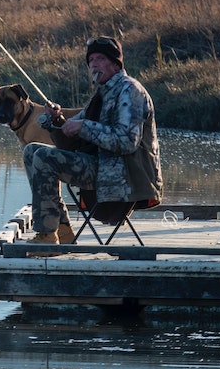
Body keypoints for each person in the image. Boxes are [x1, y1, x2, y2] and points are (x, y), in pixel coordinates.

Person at [23, 36, 163, 243]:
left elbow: (126, 141)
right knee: (32, 151)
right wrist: (56, 120)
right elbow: (73, 131)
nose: (94, 64)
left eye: (100, 59)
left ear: (116, 64)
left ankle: (46, 235)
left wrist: (84, 127)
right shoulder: (104, 93)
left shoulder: (130, 91)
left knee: (44, 157)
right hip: (102, 167)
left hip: (125, 176)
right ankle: (61, 230)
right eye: (91, 60)